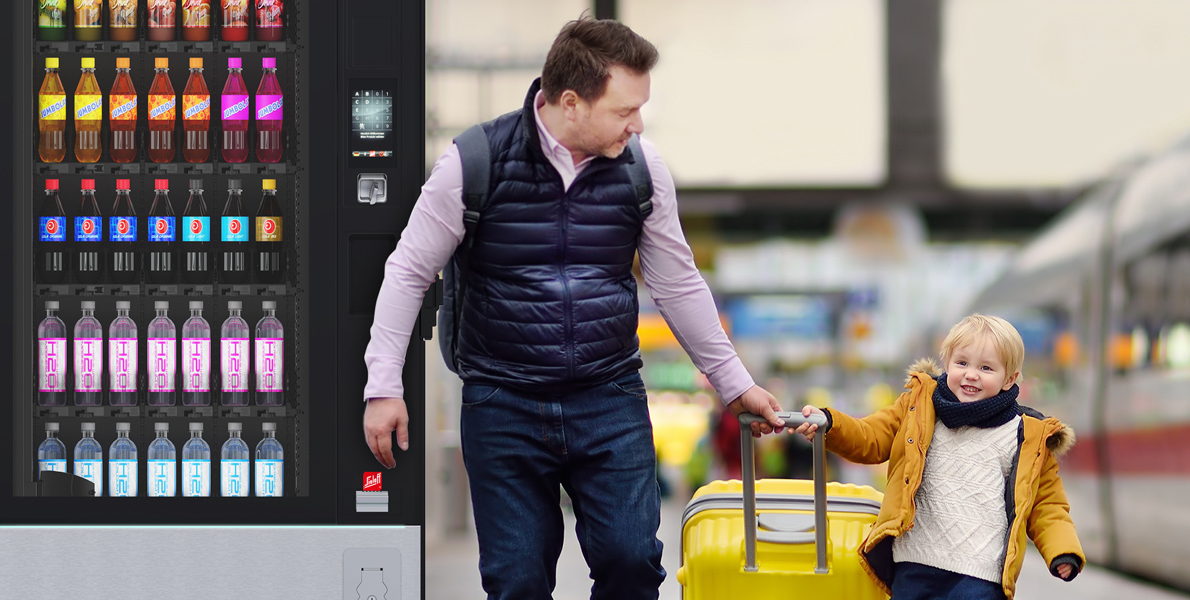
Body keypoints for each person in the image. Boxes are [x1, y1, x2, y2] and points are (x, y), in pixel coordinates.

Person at [357, 16, 787, 599]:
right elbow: (408, 271)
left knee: (632, 562)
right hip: (502, 399)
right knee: (516, 580)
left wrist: (735, 384)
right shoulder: (473, 162)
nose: (638, 125)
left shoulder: (644, 169)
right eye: (625, 110)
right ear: (571, 103)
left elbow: (678, 284)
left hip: (608, 396)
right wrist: (384, 385)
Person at [793, 314, 1085, 600]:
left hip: (979, 577)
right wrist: (831, 424)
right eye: (962, 363)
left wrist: (1062, 550)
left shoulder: (1026, 435)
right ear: (947, 364)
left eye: (986, 367)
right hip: (913, 564)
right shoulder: (918, 408)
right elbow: (871, 436)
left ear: (1009, 379)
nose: (971, 374)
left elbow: (1048, 504)